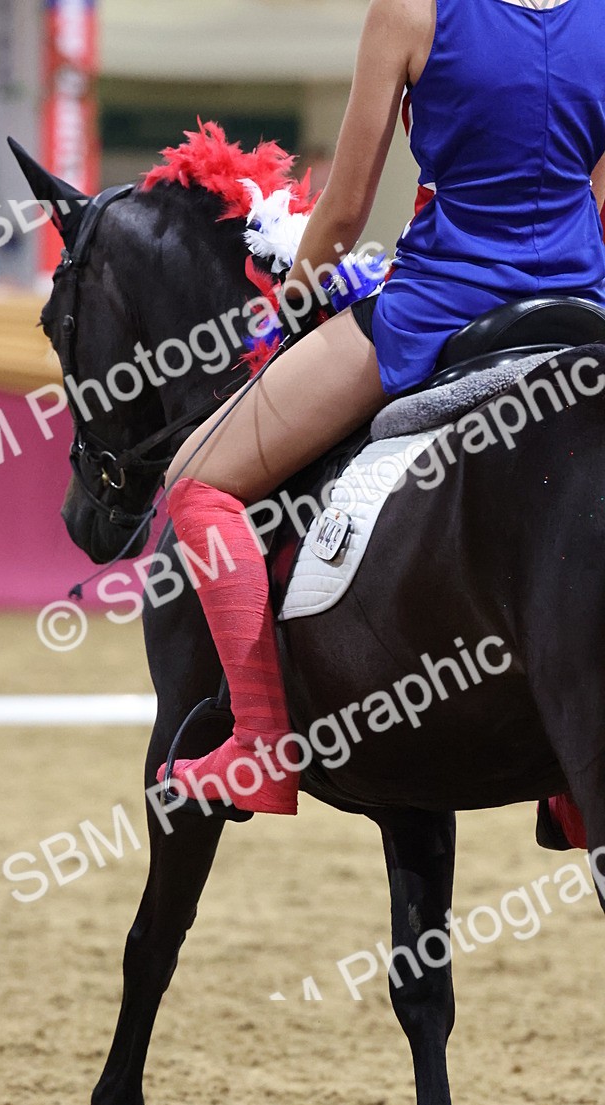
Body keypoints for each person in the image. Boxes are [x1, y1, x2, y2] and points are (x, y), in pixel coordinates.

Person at [157, 0, 605, 817]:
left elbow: (346, 207)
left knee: (196, 480)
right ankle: (572, 789)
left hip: (441, 306)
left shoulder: (410, 12)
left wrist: (293, 302)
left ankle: (258, 743)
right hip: (583, 307)